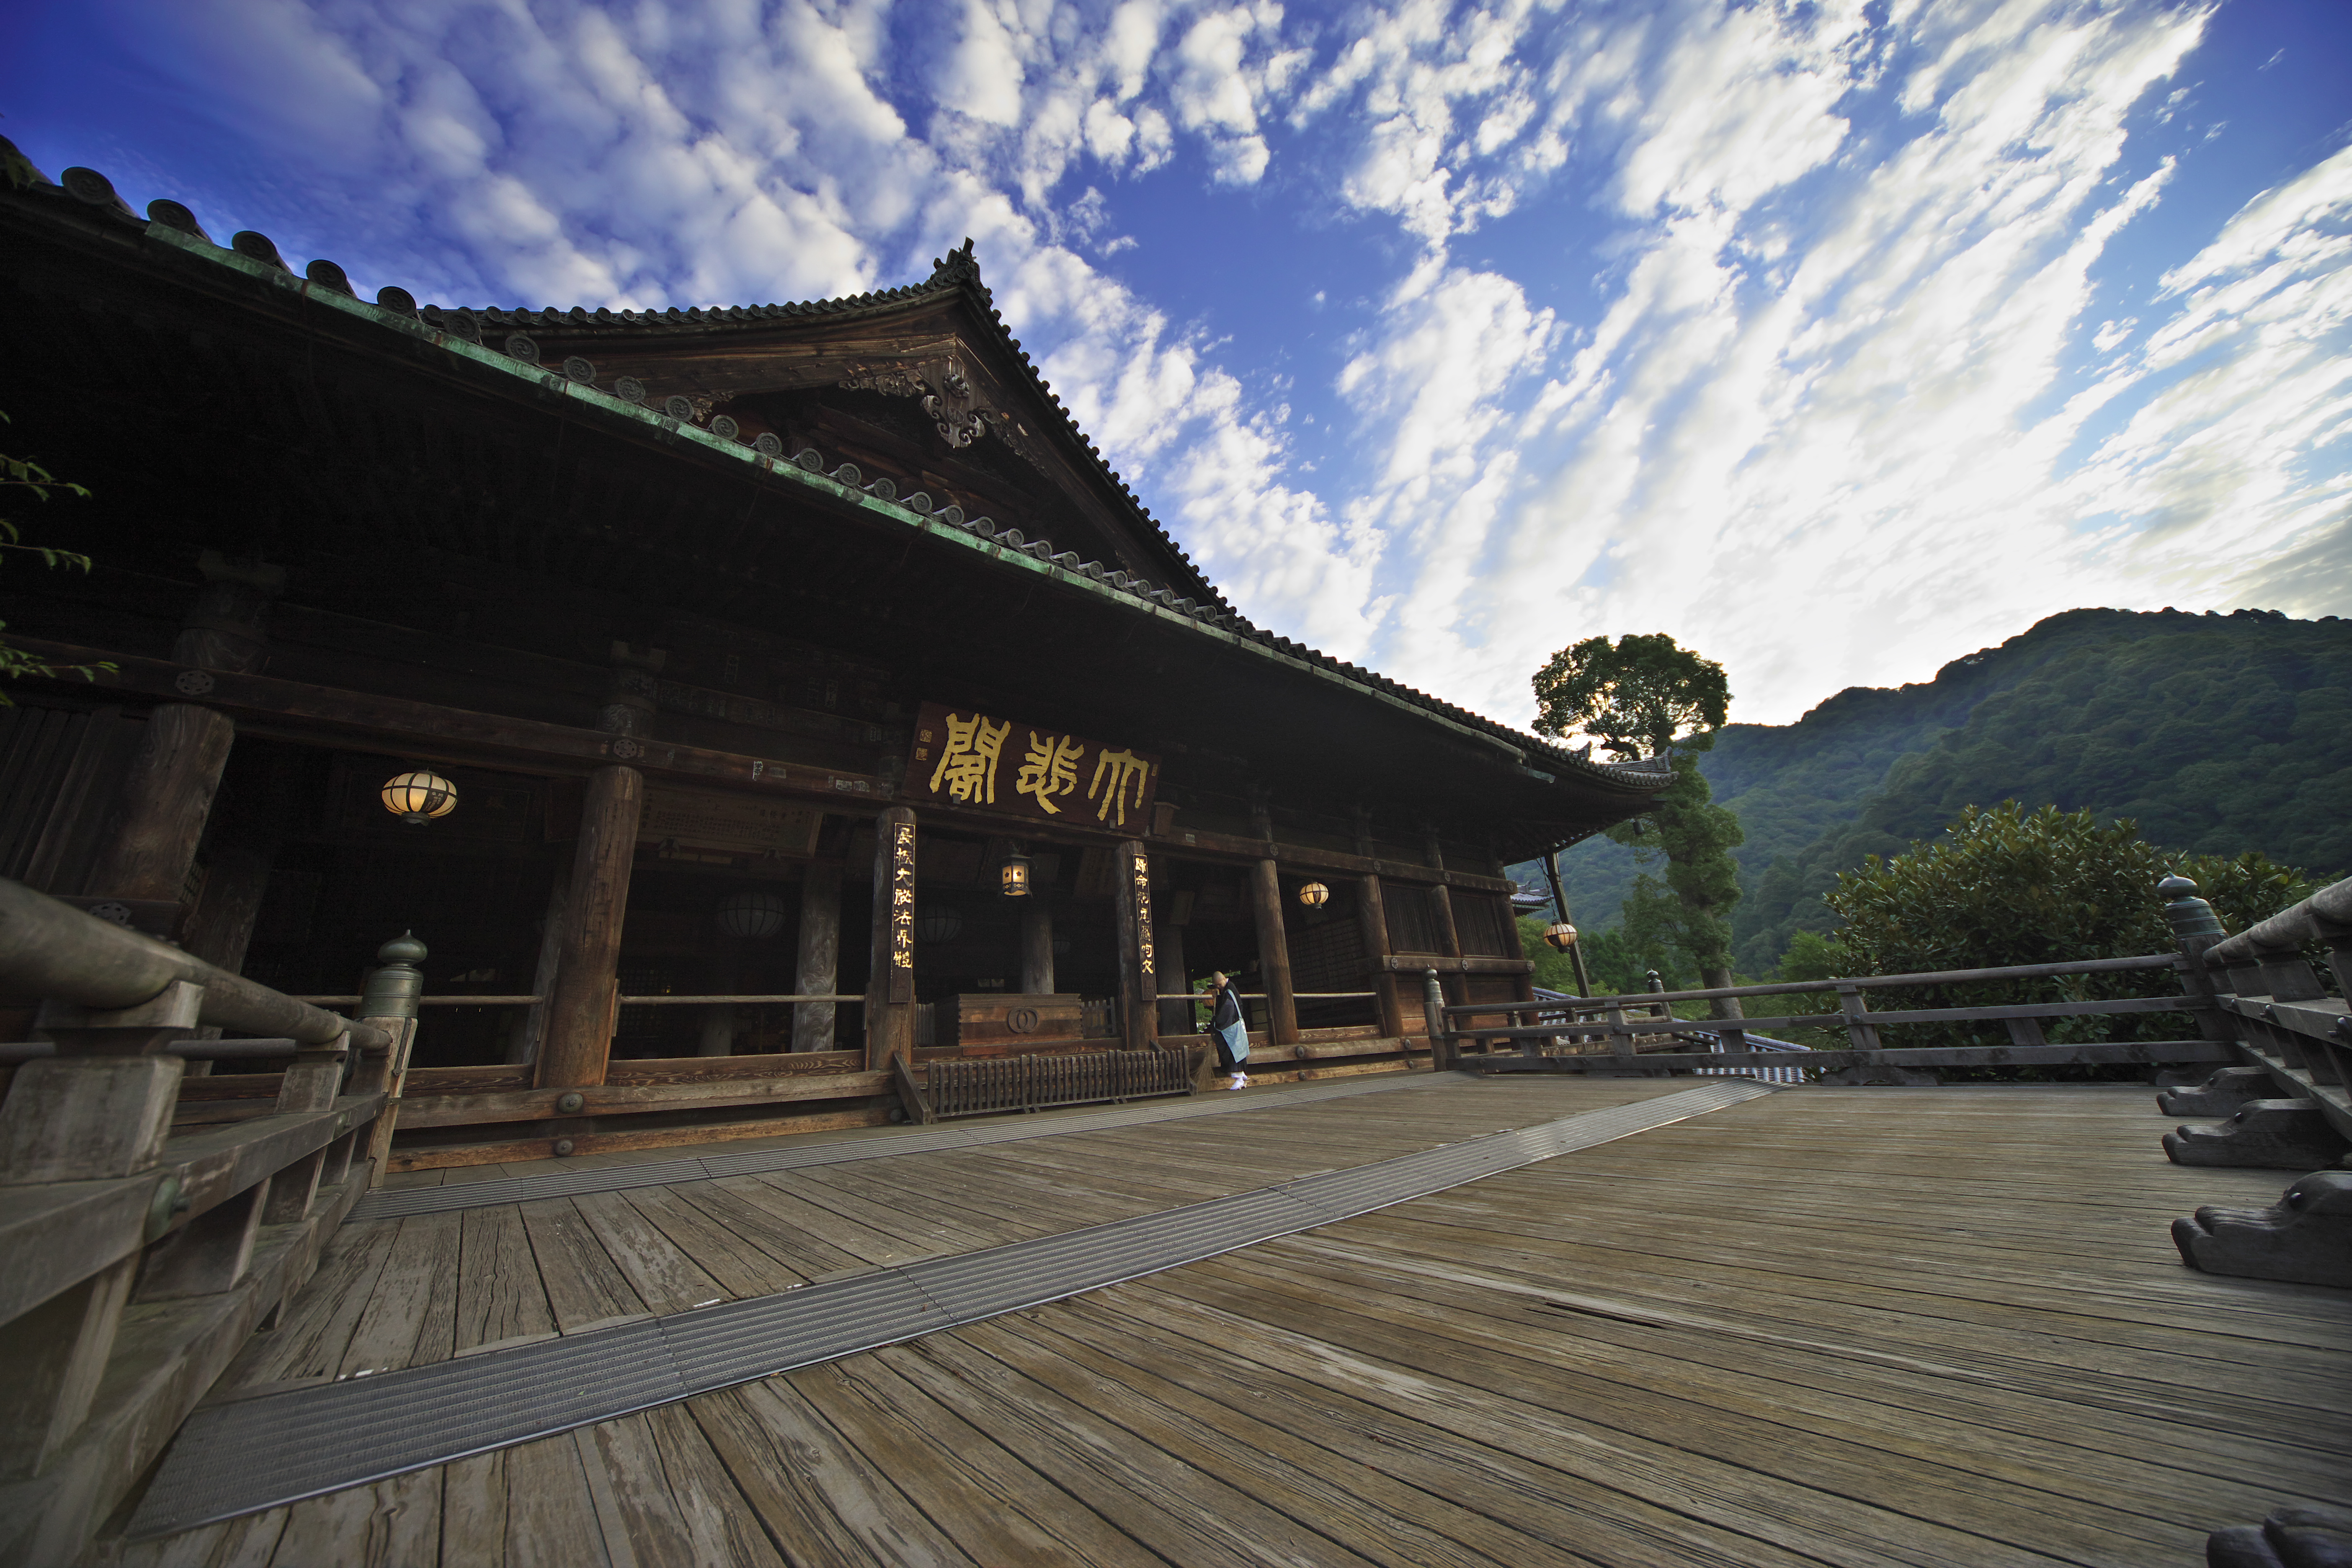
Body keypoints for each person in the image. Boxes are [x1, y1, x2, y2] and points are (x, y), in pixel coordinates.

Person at [1203, 971, 1249, 1089]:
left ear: (1224, 979)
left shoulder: (1229, 991)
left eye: (1219, 984)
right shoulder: (1227, 990)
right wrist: (1217, 998)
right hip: (1234, 1026)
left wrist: (1217, 1021)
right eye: (1217, 986)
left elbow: (1227, 1009)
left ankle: (1238, 1078)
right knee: (1236, 1049)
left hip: (1232, 1027)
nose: (1219, 987)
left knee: (1232, 1049)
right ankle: (1242, 1075)